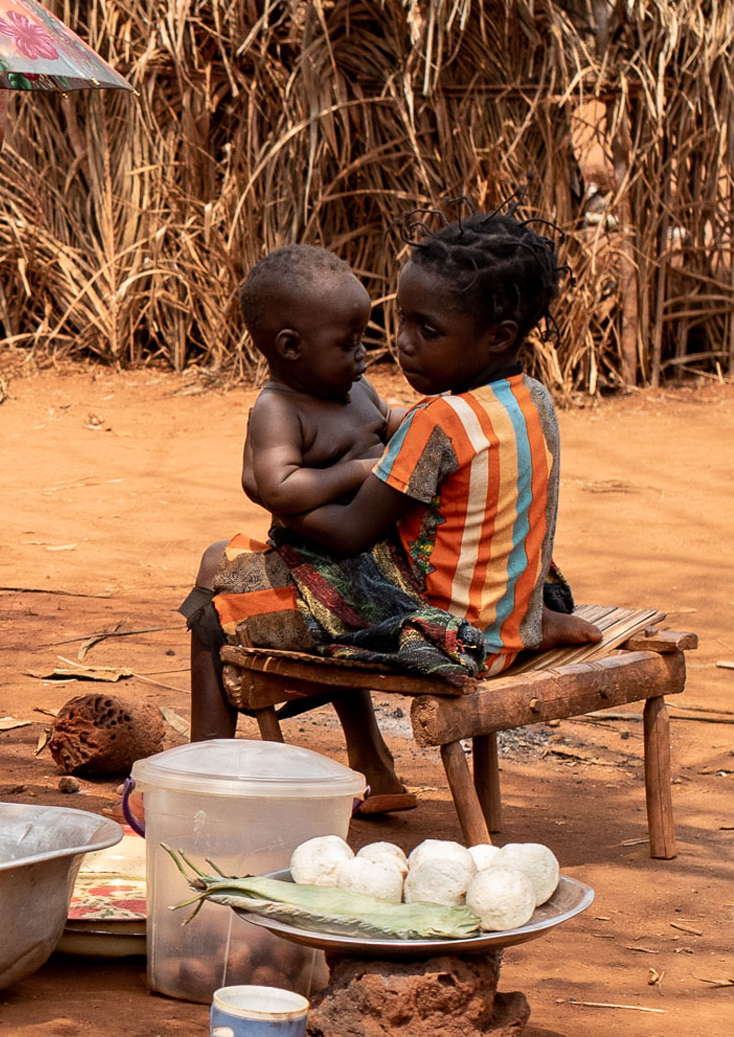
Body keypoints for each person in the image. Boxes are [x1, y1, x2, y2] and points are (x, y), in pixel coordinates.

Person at [184, 211, 604, 724]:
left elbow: (346, 534)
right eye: (402, 319)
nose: (402, 342)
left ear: (497, 337)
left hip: (442, 631)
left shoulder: (437, 424)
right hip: (504, 600)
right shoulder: (531, 400)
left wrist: (265, 489)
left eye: (427, 329)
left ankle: (205, 755)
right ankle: (526, 619)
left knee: (217, 573)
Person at [183, 244, 416, 811]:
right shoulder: (278, 409)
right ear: (290, 347)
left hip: (348, 580)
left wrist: (413, 418)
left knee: (212, 588)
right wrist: (366, 467)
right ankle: (370, 763)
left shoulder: (356, 391)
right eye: (349, 343)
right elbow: (281, 486)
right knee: (220, 580)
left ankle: (205, 760)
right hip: (323, 571)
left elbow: (389, 421)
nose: (364, 356)